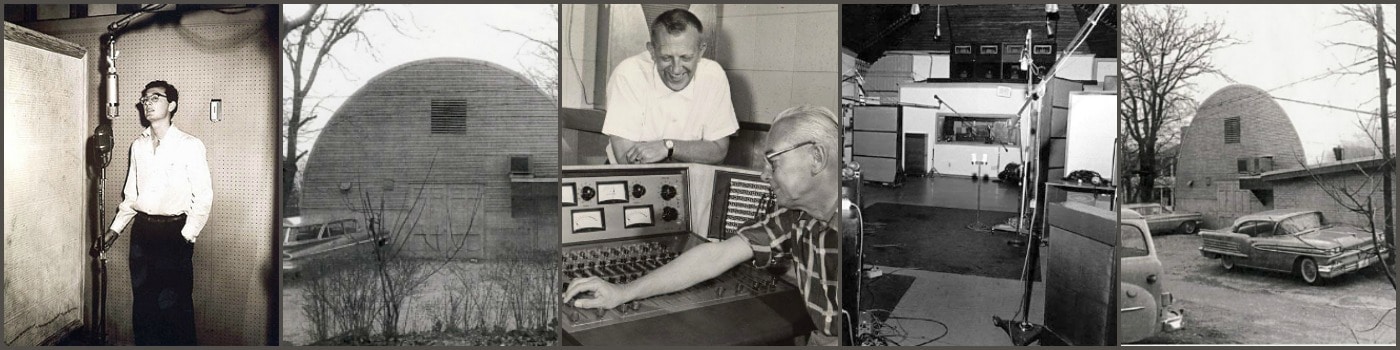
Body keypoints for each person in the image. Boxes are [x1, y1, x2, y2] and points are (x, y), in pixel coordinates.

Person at [565, 105, 842, 345]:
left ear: (816, 158)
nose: (763, 175)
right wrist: (622, 292)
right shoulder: (793, 216)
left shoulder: (850, 227)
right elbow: (716, 255)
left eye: (772, 162)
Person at [106, 80, 213, 345]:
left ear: (172, 105)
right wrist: (115, 229)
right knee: (144, 308)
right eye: (144, 99)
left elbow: (204, 197)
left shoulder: (189, 144)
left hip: (173, 234)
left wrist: (186, 235)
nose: (148, 103)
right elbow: (131, 196)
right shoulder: (138, 146)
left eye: (155, 97)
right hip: (142, 234)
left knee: (175, 310)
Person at [602, 8, 738, 165]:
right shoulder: (628, 74)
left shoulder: (714, 76)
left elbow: (719, 151)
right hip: (632, 179)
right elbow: (627, 160)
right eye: (666, 57)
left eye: (685, 57)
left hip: (691, 178)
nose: (676, 69)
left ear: (701, 51)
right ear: (652, 51)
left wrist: (668, 147)